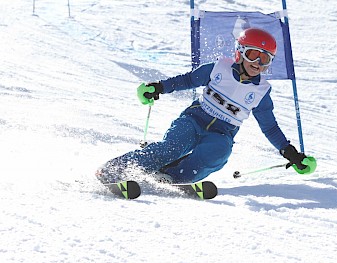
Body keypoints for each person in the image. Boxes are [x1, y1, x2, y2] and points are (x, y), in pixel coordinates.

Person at [96, 28, 315, 185]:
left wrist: (290, 153)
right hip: (194, 119)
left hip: (222, 132)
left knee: (218, 153)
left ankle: (173, 176)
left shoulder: (261, 92)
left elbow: (270, 127)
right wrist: (159, 87)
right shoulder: (218, 68)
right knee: (172, 147)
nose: (258, 63)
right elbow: (187, 80)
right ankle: (116, 169)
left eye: (265, 59)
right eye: (253, 54)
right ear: (240, 52)